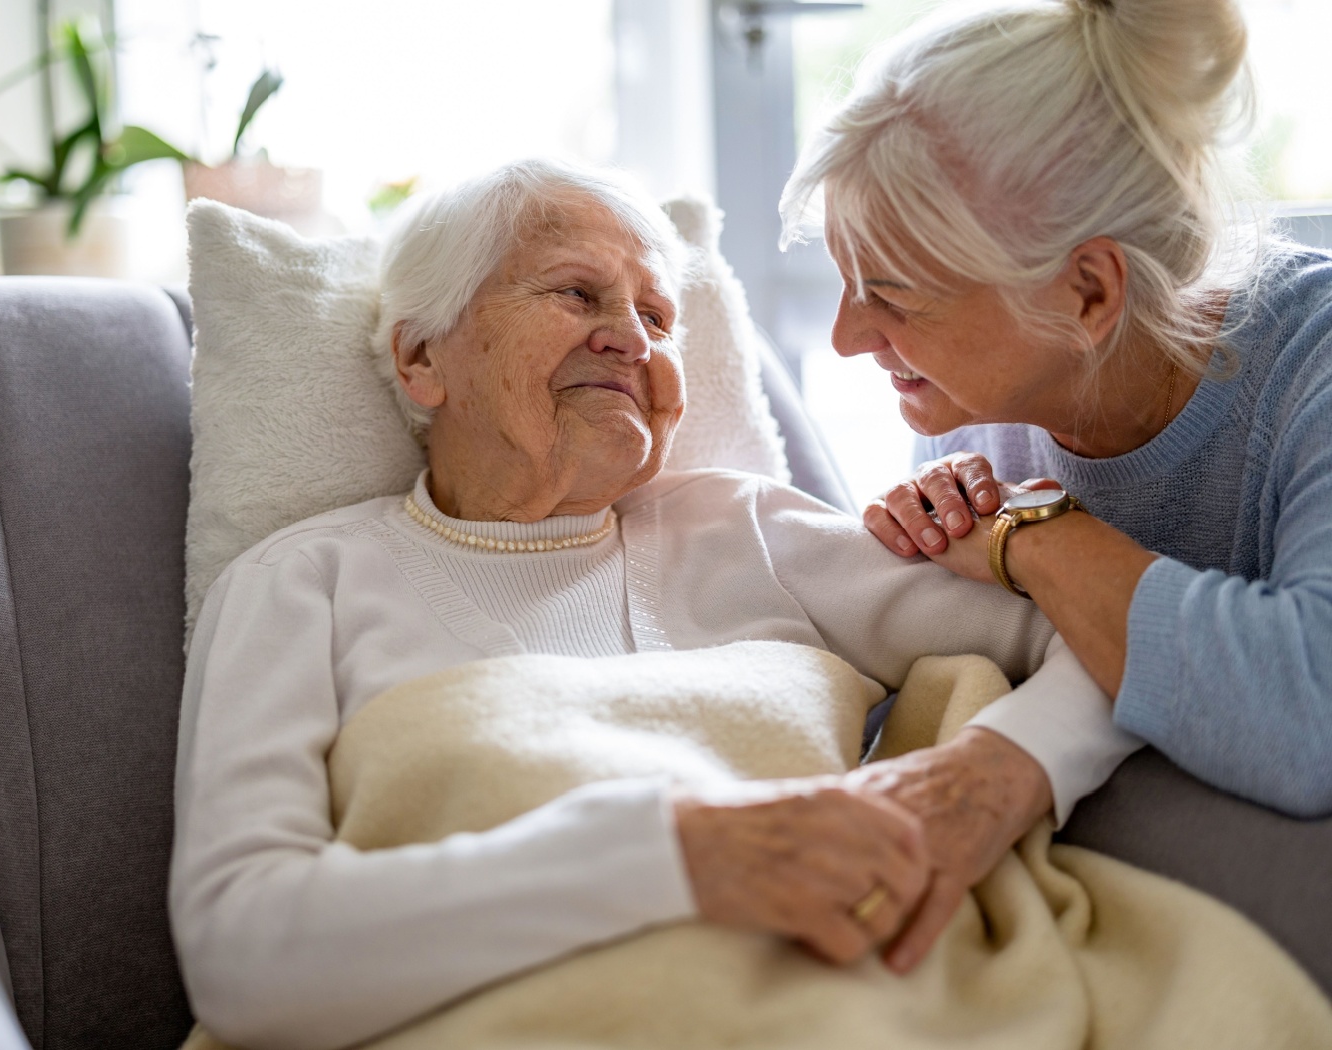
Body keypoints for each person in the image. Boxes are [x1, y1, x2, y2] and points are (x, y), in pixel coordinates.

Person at [171, 159, 1134, 1050]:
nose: (632, 339)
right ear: (423, 359)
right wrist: (672, 856)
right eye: (576, 294)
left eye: (660, 317)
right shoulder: (301, 583)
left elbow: (1110, 643)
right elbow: (241, 956)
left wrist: (999, 773)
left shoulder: (744, 527)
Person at [781, 0, 1332, 818]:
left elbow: (1309, 719)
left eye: (890, 296)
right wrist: (929, 544)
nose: (846, 338)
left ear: (1088, 293)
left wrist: (1035, 534)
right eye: (844, 280)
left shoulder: (1309, 368)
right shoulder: (971, 402)